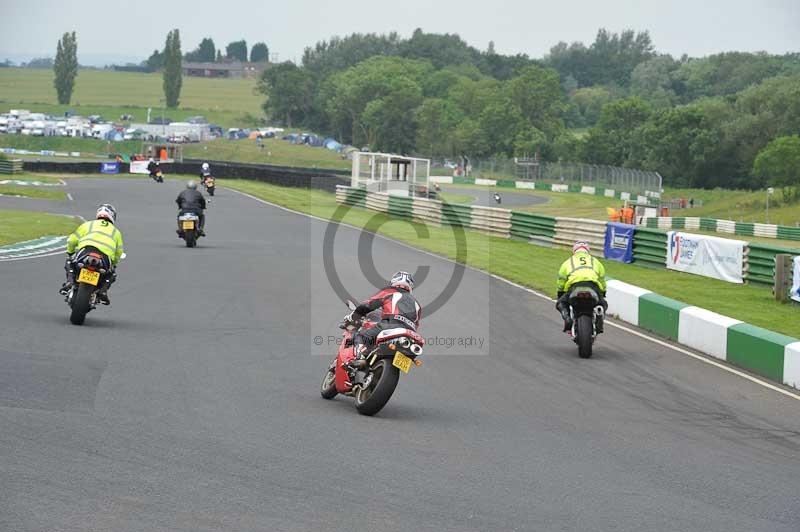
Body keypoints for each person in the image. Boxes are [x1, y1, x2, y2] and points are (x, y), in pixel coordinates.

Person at [347, 271, 421, 367]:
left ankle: (360, 358)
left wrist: (353, 316)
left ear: (394, 281)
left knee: (359, 336)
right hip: (410, 334)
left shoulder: (390, 292)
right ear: (410, 286)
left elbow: (368, 305)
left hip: (391, 324)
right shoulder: (417, 304)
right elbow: (416, 324)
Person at [60, 204, 124, 305]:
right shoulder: (116, 232)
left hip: (85, 252)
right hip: (105, 258)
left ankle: (70, 282)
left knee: (70, 261)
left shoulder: (88, 224)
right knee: (112, 273)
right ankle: (103, 291)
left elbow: (72, 240)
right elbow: (119, 252)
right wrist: (114, 263)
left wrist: (70, 252)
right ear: (112, 216)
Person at [556, 241, 607, 333]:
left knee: (561, 303)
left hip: (574, 287)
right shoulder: (595, 261)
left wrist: (560, 293)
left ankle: (567, 319)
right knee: (603, 303)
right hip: (592, 286)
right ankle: (600, 316)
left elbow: (561, 281)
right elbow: (602, 279)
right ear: (588, 251)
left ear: (574, 251)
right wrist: (603, 293)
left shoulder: (568, 261)